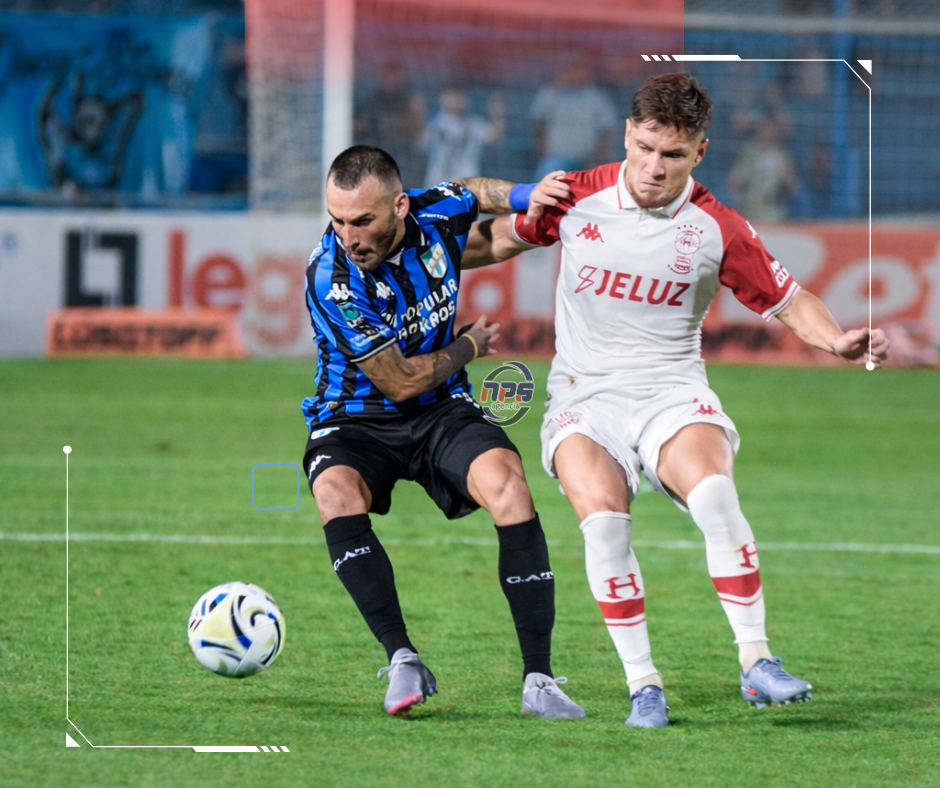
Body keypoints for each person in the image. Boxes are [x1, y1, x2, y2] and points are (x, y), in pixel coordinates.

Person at [471, 73, 889, 728]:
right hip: (585, 396)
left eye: (672, 154)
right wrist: (420, 255)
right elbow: (491, 242)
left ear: (700, 151)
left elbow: (790, 300)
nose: (653, 168)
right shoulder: (575, 196)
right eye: (643, 148)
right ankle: (645, 685)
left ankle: (757, 662)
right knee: (603, 520)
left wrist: (837, 341)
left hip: (672, 389)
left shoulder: (717, 227)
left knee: (717, 494)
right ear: (628, 137)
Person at [302, 145, 583, 719]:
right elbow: (400, 381)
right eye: (337, 220)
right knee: (334, 493)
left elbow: (471, 191)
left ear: (400, 207)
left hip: (440, 410)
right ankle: (401, 656)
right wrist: (470, 347)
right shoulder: (333, 281)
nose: (348, 236)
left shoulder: (432, 213)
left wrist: (529, 195)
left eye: (362, 221)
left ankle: (539, 680)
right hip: (353, 416)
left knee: (509, 485)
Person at [530, 54, 616, 179]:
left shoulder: (597, 98)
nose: (574, 73)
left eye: (578, 69)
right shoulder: (550, 93)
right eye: (570, 68)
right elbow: (537, 120)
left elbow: (606, 129)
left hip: (586, 159)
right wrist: (542, 145)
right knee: (544, 179)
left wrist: (600, 156)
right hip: (556, 157)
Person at [422, 88, 504, 186]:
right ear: (441, 98)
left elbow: (495, 138)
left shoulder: (473, 124)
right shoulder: (433, 123)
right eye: (449, 95)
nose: (454, 100)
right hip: (437, 184)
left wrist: (497, 112)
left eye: (458, 96)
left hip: (466, 185)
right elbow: (418, 142)